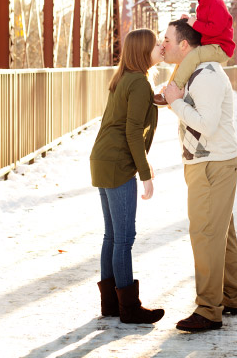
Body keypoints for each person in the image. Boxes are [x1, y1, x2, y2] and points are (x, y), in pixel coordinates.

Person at [161, 19, 237, 332]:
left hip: (212, 164)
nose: (163, 45)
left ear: (185, 45)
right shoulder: (197, 73)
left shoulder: (207, 75)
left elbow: (206, 125)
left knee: (206, 234)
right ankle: (233, 295)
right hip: (210, 162)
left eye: (167, 39)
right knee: (221, 232)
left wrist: (175, 102)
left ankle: (209, 310)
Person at [90, 28, 165, 324]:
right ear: (142, 51)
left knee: (112, 235)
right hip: (118, 163)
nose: (160, 46)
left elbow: (129, 118)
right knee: (124, 238)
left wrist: (156, 100)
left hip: (102, 159)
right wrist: (145, 174)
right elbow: (133, 132)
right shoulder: (138, 83)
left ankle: (111, 304)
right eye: (155, 44)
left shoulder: (126, 78)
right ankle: (129, 308)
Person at [153, 0, 235, 106]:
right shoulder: (205, 1)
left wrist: (194, 23)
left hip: (219, 48)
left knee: (193, 55)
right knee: (185, 60)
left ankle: (174, 90)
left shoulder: (216, 3)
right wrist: (191, 20)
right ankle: (170, 91)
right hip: (211, 45)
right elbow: (206, 23)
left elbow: (215, 29)